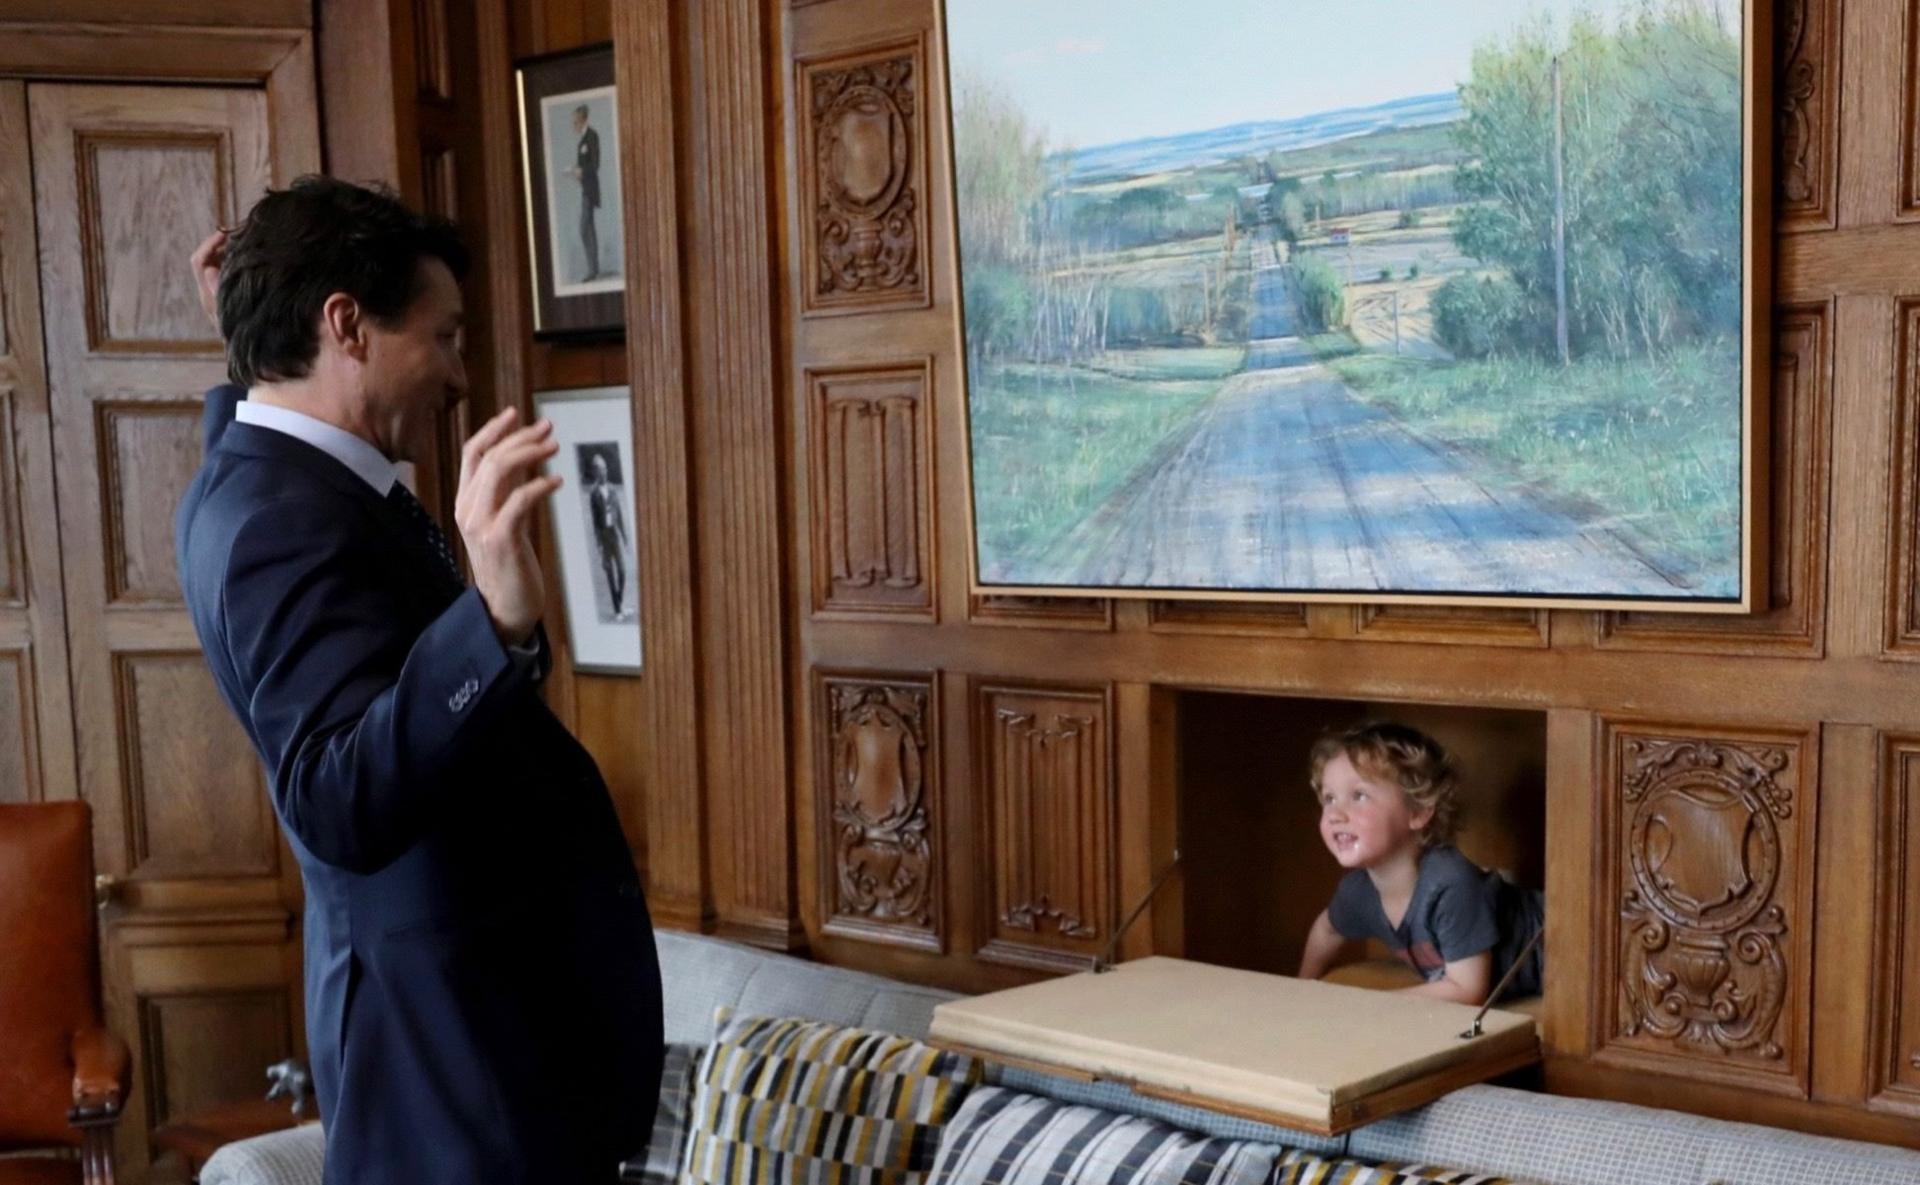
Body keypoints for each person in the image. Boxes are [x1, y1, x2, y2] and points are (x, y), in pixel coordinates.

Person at [174, 177, 663, 1185]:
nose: (457, 371)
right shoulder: (280, 515)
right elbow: (333, 797)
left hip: (482, 1066)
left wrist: (239, 351)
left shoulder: (256, 467)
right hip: (451, 1080)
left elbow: (250, 430)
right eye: (441, 337)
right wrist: (488, 619)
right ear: (346, 324)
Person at [1296, 722, 1543, 1006]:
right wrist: (1302, 988)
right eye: (1329, 798)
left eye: (1359, 796)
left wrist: (1368, 1006)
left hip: (1565, 946)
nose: (1335, 814)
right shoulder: (1359, 891)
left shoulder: (1449, 882)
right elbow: (1327, 931)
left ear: (1418, 811)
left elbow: (1467, 989)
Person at [585, 452, 630, 619]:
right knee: (610, 574)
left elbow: (618, 515)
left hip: (614, 535)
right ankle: (618, 610)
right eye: (600, 469)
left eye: (605, 468)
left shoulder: (612, 489)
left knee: (623, 570)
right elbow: (595, 522)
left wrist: (625, 537)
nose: (604, 472)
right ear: (596, 472)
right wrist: (598, 544)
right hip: (604, 537)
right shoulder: (593, 493)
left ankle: (619, 602)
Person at [569, 104, 601, 282]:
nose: (574, 125)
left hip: (590, 188)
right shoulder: (582, 140)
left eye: (576, 121)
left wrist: (582, 172)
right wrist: (576, 171)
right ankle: (593, 268)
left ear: (583, 120)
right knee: (589, 228)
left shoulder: (592, 136)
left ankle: (592, 269)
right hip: (585, 188)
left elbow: (595, 164)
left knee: (585, 228)